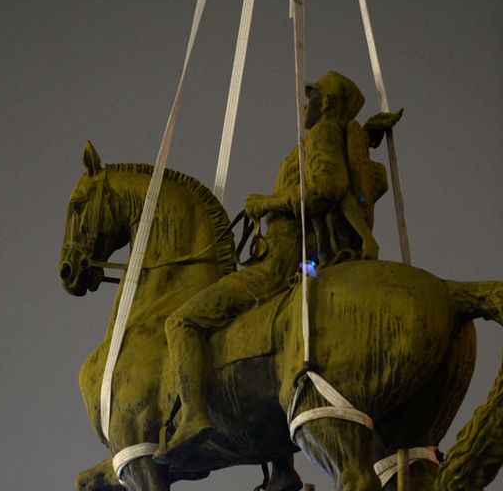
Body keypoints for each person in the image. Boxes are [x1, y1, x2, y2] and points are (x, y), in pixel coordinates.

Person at [154, 71, 399, 469]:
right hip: (305, 262)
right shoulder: (338, 137)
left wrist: (267, 203)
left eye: (313, 97)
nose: (306, 105)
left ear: (329, 103)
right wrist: (364, 137)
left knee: (182, 322)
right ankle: (280, 472)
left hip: (281, 264)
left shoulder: (320, 137)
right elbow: (352, 176)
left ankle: (194, 415)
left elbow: (326, 188)